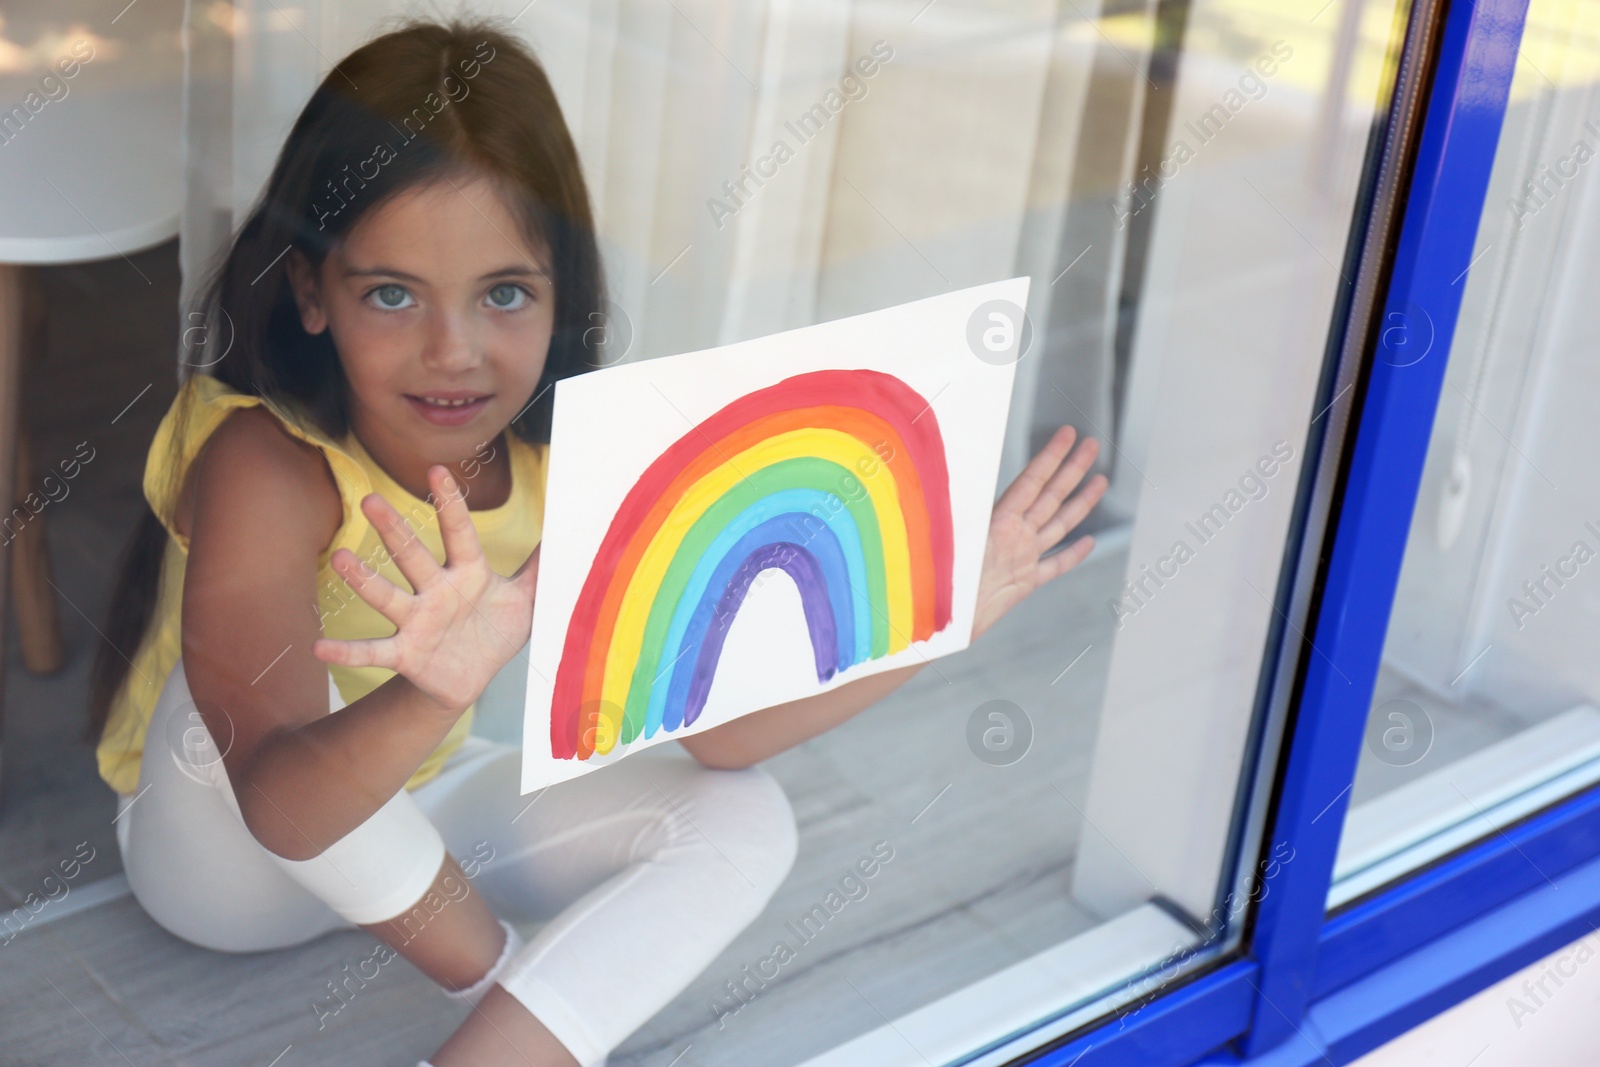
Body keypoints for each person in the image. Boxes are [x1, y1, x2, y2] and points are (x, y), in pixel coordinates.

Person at [85, 15, 1108, 1067]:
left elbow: (722, 733)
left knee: (744, 817)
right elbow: (280, 804)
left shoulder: (564, 456)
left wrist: (934, 615)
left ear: (561, 295)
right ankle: (500, 982)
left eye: (504, 294)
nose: (454, 352)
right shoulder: (267, 458)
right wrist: (434, 701)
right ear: (309, 290)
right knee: (272, 702)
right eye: (391, 293)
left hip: (424, 805)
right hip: (226, 862)